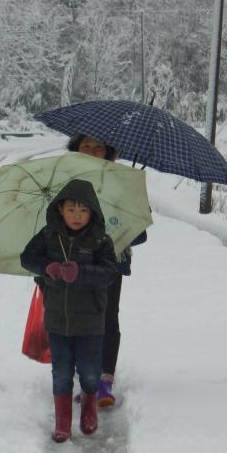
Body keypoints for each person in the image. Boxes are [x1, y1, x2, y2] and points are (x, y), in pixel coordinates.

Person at [20, 179, 120, 442]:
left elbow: (110, 272)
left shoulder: (100, 241)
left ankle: (89, 404)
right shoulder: (48, 236)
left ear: (93, 213)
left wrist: (81, 272)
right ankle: (63, 421)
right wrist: (47, 267)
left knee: (89, 372)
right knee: (61, 372)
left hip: (90, 321)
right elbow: (27, 258)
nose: (77, 216)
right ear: (60, 210)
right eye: (71, 209)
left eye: (83, 210)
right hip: (58, 319)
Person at [67, 134, 148, 407]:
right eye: (85, 146)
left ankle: (104, 380)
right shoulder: (65, 180)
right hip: (73, 261)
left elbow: (140, 233)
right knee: (77, 318)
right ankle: (85, 376)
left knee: (107, 317)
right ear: (76, 149)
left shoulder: (121, 181)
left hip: (110, 261)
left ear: (108, 152)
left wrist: (133, 205)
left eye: (98, 147)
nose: (92, 151)